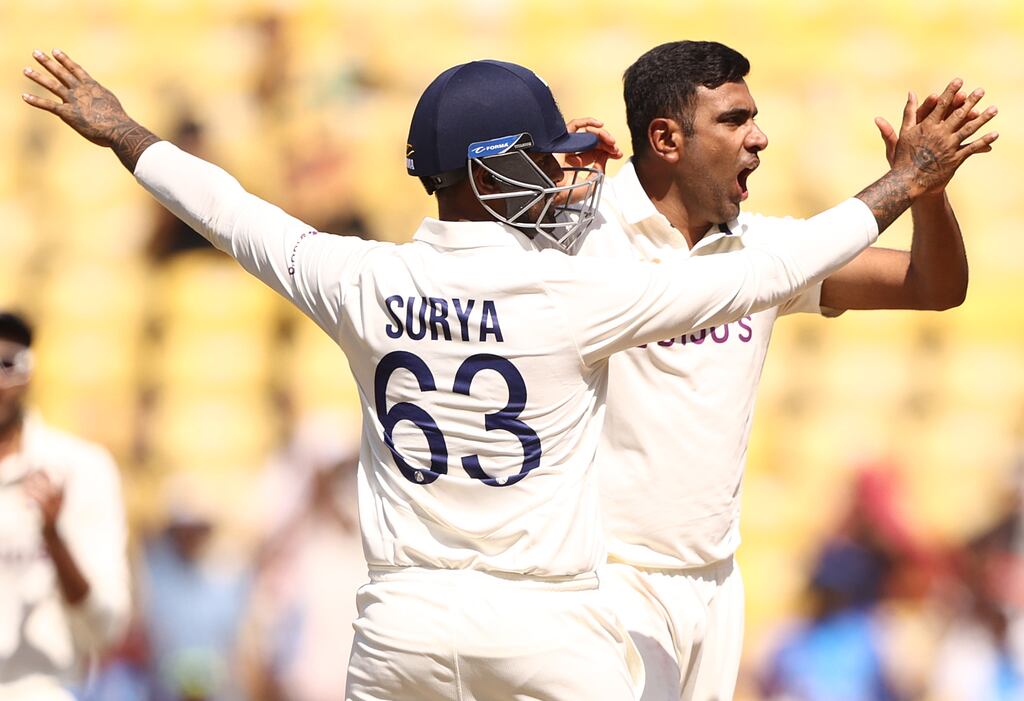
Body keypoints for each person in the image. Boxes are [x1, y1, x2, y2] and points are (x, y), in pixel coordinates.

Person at [22, 48, 990, 700]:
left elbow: (235, 214)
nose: (562, 171)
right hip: (557, 612)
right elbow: (771, 273)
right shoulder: (576, 283)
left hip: (400, 615)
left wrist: (123, 133)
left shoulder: (364, 277)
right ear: (495, 171)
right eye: (540, 158)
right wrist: (901, 182)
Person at [569, 40, 998, 701]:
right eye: (734, 120)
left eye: (755, 117)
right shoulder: (584, 240)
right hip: (607, 576)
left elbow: (931, 285)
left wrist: (929, 192)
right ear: (666, 137)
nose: (759, 137)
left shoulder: (762, 250)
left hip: (715, 585)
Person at [0, 311, 131, 700]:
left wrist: (53, 539)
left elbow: (106, 626)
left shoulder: (81, 468)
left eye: (8, 363)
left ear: (30, 372)